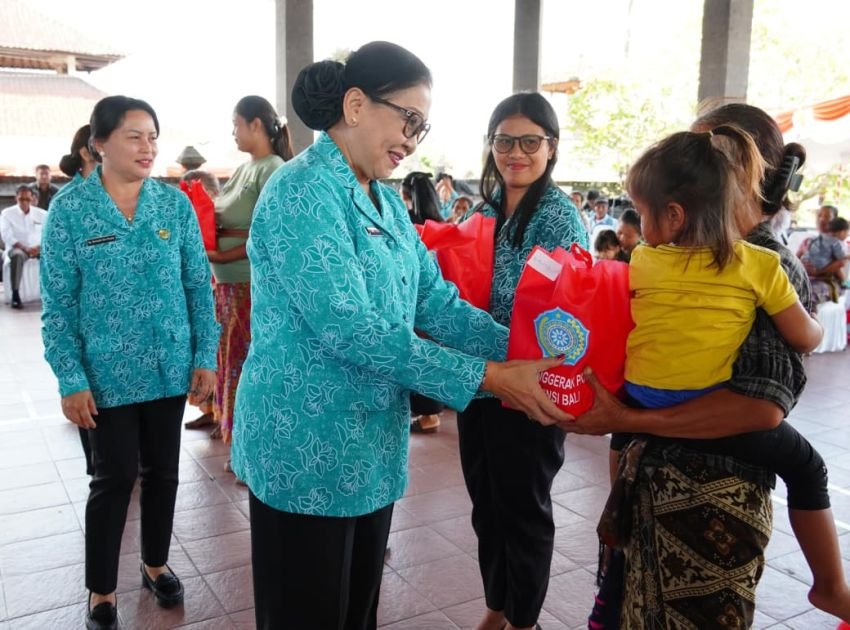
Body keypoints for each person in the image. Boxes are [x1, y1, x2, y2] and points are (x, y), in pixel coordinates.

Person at [229, 42, 568, 630]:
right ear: (356, 105)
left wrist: (525, 355)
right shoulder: (300, 192)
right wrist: (490, 377)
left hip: (369, 447)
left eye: (422, 126)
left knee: (356, 611)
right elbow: (351, 327)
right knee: (306, 613)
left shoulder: (383, 200)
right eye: (407, 120)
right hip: (305, 446)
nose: (414, 140)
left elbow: (434, 301)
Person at [564, 103, 850, 628]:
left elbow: (761, 408)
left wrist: (625, 419)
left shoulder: (764, 259)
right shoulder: (693, 254)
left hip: (710, 499)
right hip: (651, 486)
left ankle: (830, 587)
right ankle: (831, 584)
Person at [40, 95, 219, 630]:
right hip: (105, 377)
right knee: (112, 479)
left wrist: (204, 357)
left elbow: (197, 287)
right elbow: (58, 304)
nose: (148, 147)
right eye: (134, 136)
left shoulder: (174, 205)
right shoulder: (71, 210)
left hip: (168, 368)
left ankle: (155, 563)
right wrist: (70, 379)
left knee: (163, 473)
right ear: (100, 143)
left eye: (153, 136)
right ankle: (100, 591)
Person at [457, 93, 588, 630]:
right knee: (486, 502)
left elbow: (560, 314)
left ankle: (523, 619)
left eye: (530, 141)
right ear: (491, 147)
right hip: (480, 380)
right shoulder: (480, 212)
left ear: (550, 148)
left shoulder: (559, 217)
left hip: (532, 384)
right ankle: (498, 605)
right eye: (504, 140)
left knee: (523, 509)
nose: (516, 152)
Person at [206, 95, 292, 457]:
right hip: (227, 284)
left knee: (245, 362)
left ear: (256, 125)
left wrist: (223, 252)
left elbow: (269, 232)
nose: (233, 133)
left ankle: (249, 446)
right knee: (228, 359)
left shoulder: (271, 167)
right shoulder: (245, 168)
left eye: (236, 125)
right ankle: (233, 433)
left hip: (248, 285)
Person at [53, 123, 99, 475]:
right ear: (89, 150)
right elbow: (59, 298)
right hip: (91, 342)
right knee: (104, 469)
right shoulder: (68, 205)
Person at [401, 170, 446, 433]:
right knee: (432, 355)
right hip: (438, 297)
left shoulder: (406, 222)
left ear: (406, 195)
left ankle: (429, 416)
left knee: (418, 357)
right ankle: (431, 414)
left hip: (414, 300)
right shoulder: (440, 223)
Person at [181, 169, 222, 431]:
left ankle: (220, 414)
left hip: (218, 286)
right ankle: (208, 409)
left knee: (216, 354)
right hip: (204, 286)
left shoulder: (215, 211)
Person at [1, 185, 46, 309]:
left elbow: (50, 234)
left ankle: (54, 294)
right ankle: (16, 295)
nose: (24, 202)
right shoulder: (7, 213)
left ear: (32, 198)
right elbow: (7, 236)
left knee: (54, 255)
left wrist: (40, 247)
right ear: (16, 198)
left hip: (38, 248)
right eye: (21, 199)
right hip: (19, 248)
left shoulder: (42, 214)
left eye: (27, 199)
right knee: (17, 256)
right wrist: (26, 248)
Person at [801, 215, 850, 303]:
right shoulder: (837, 243)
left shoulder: (816, 239)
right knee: (839, 262)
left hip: (807, 266)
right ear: (842, 232)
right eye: (847, 232)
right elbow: (841, 260)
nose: (847, 235)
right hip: (820, 268)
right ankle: (844, 282)